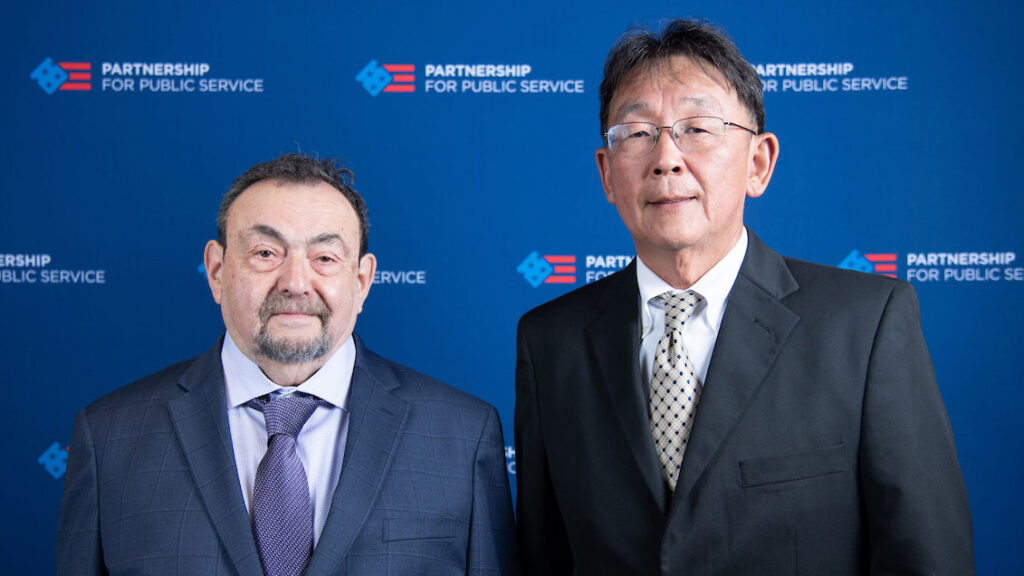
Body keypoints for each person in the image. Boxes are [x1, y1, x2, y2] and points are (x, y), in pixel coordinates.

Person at [514, 19, 974, 575]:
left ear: (759, 162)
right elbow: (543, 554)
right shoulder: (550, 341)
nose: (666, 158)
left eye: (698, 127)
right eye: (636, 133)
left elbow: (927, 556)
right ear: (607, 173)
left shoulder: (864, 326)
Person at [57, 153, 516, 575]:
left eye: (324, 257)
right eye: (266, 253)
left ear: (361, 281)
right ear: (217, 272)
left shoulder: (463, 436)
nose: (296, 282)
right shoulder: (109, 437)